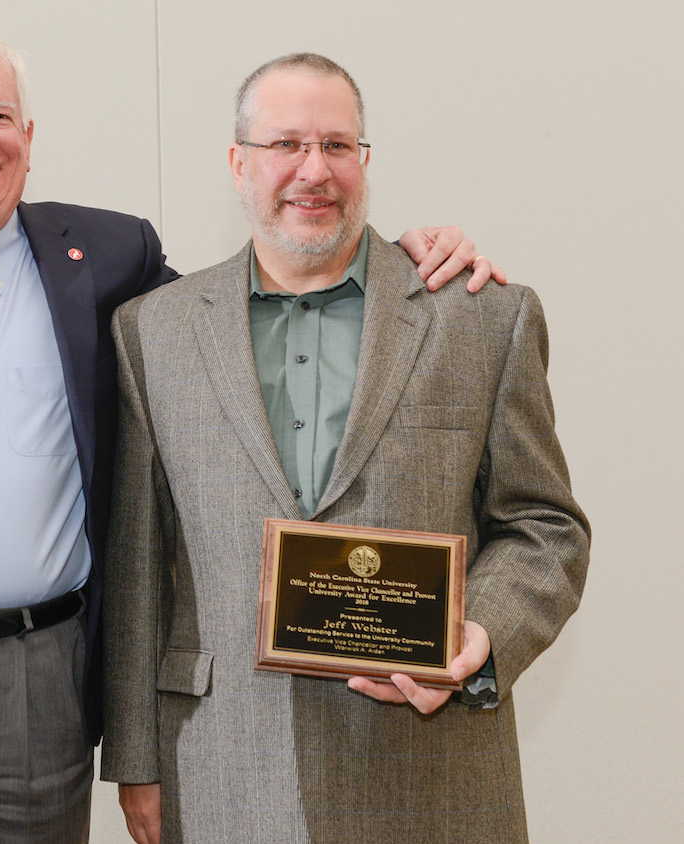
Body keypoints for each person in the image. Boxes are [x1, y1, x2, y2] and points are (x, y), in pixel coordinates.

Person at [0, 28, 494, 842]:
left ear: (30, 142)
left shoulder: (106, 258)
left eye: (1, 115)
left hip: (29, 676)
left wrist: (397, 259)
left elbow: (242, 316)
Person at [100, 53, 590, 843]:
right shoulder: (152, 331)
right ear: (238, 164)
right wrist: (136, 761)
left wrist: (480, 637)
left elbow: (547, 528)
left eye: (336, 146)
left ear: (365, 163)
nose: (312, 170)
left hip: (430, 764)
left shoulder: (480, 317)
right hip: (225, 761)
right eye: (285, 144)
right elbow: (138, 565)